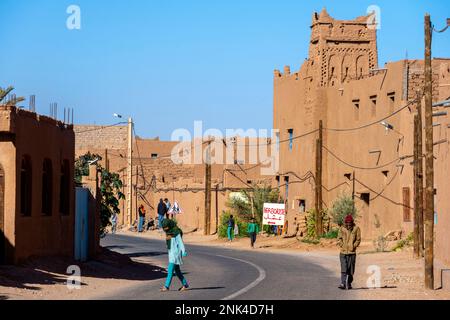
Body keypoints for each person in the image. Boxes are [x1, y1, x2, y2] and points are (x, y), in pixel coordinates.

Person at [160, 219, 189, 292]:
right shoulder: (168, 232)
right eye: (164, 228)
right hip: (171, 253)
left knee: (170, 270)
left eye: (166, 227)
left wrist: (183, 251)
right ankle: (185, 285)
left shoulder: (176, 232)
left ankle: (166, 286)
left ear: (169, 225)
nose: (166, 229)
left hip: (175, 253)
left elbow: (180, 242)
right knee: (177, 271)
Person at [337, 214, 361, 290]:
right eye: (347, 222)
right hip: (343, 252)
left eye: (350, 223)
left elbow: (358, 239)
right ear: (345, 222)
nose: (348, 224)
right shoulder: (342, 229)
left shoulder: (356, 229)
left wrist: (354, 246)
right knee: (344, 268)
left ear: (352, 222)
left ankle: (349, 283)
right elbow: (339, 238)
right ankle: (343, 283)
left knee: (351, 270)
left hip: (352, 253)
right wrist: (342, 245)